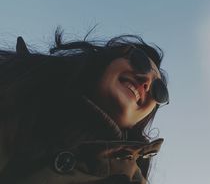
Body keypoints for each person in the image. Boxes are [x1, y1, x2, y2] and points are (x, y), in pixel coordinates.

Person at [0, 29, 169, 184]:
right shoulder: (14, 84)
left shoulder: (132, 179)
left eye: (158, 90)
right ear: (109, 60)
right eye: (140, 62)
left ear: (142, 119)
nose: (146, 82)